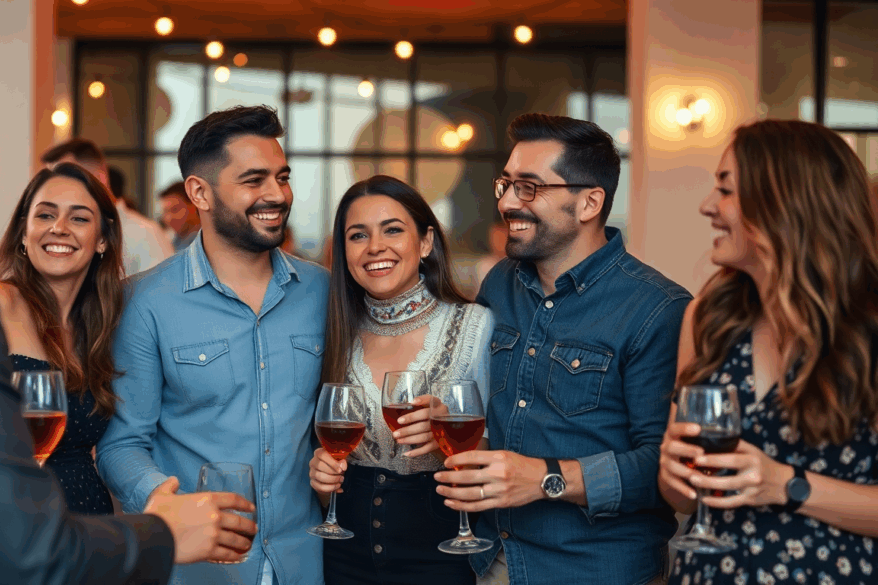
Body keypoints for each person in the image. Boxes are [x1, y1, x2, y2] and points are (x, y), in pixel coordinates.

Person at [0, 12, 255, 585]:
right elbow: (23, 548)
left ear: (102, 241)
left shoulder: (115, 317)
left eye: (79, 217)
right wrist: (167, 532)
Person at [436, 113, 692, 585]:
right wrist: (443, 416)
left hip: (597, 570)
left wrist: (544, 478)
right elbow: (489, 407)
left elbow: (667, 469)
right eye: (507, 184)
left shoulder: (659, 309)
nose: (510, 201)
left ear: (590, 202)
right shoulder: (502, 283)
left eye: (531, 187)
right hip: (490, 562)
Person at [97, 105, 328, 585]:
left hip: (305, 562)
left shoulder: (325, 293)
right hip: (198, 572)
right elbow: (123, 443)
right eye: (254, 180)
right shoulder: (143, 302)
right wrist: (166, 500)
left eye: (282, 178)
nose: (276, 195)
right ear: (199, 192)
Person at [659, 120, 878, 585]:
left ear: (785, 200)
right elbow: (677, 494)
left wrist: (784, 484)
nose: (707, 207)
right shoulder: (707, 318)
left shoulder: (869, 329)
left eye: (726, 190)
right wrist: (673, 476)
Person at [308, 175, 494, 584]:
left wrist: (449, 434)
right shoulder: (333, 330)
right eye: (358, 235)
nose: (375, 247)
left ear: (426, 242)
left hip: (443, 549)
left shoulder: (476, 327)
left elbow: (501, 449)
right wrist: (322, 474)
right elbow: (328, 461)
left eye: (393, 229)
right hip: (344, 551)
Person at [0, 162, 123, 515]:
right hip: (16, 522)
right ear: (22, 231)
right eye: (45, 216)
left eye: (79, 219)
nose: (59, 229)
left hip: (92, 530)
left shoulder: (104, 326)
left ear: (103, 240)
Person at [41, 139, 173, 276]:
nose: (56, 191)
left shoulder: (145, 236)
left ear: (100, 176)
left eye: (66, 180)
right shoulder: (63, 236)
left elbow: (165, 294)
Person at [158, 179, 200, 251]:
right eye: (165, 211)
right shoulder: (174, 240)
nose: (169, 218)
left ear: (194, 206)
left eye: (175, 210)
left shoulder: (206, 243)